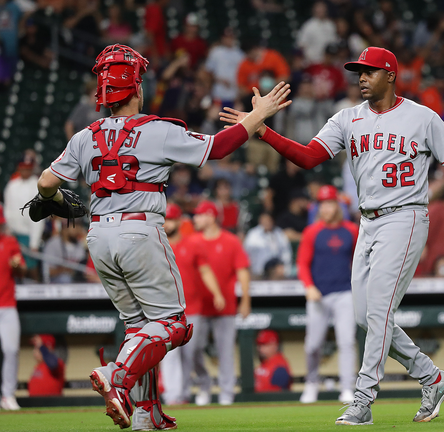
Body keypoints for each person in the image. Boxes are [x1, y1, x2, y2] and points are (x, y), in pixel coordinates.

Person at [220, 46, 444, 425]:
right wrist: (264, 131)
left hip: (405, 217)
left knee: (379, 311)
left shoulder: (422, 117)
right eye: (359, 71)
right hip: (367, 222)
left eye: (369, 71)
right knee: (364, 316)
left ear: (390, 75)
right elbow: (308, 157)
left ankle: (363, 399)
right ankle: (432, 377)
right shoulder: (346, 119)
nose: (361, 77)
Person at [34, 43, 291, 430]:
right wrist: (257, 116)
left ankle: (146, 412)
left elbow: (45, 181)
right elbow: (218, 148)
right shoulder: (158, 130)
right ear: (137, 87)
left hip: (99, 236)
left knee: (140, 327)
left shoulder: (84, 137)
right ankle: (117, 376)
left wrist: (55, 200)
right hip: (139, 230)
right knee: (173, 324)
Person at [296, 185, 358, 405]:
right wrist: (308, 286)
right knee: (313, 344)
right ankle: (312, 383)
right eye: (322, 204)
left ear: (337, 205)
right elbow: (302, 264)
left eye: (330, 203)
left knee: (347, 342)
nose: (326, 208)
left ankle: (347, 387)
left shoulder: (351, 230)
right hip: (319, 294)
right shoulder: (312, 231)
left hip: (345, 292)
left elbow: (358, 262)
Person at [158, 203, 225, 406]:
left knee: (190, 353)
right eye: (164, 219)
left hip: (191, 307)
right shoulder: (157, 245)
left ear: (179, 221)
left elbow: (205, 271)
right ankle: (173, 396)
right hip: (165, 307)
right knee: (168, 353)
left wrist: (217, 293)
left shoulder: (193, 244)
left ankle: (185, 392)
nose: (167, 224)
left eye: (170, 219)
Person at [188, 200, 253, 406]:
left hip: (225, 306)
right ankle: (204, 384)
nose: (195, 218)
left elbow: (242, 271)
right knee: (193, 349)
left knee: (225, 351)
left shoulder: (231, 241)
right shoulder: (191, 241)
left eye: (199, 215)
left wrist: (245, 299)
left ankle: (226, 393)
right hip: (197, 306)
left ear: (211, 216)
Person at [0, 204, 26, 411]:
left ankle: (8, 395)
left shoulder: (9, 242)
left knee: (11, 350)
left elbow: (22, 271)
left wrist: (18, 266)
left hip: (7, 305)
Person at [3, 152, 44, 282]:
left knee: (31, 269)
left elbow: (39, 216)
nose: (25, 170)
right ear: (19, 168)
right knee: (12, 269)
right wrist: (7, 233)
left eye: (28, 168)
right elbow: (7, 210)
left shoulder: (38, 185)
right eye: (23, 167)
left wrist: (34, 242)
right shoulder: (11, 185)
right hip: (12, 234)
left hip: (28, 236)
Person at [243, 211, 293, 279]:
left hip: (276, 273)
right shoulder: (253, 235)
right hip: (258, 273)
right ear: (260, 221)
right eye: (264, 220)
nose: (267, 222)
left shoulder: (279, 233)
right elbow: (246, 254)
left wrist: (286, 269)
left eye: (269, 220)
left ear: (272, 221)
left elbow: (286, 253)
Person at [42, 218, 87, 283]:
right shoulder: (53, 243)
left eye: (79, 226)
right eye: (74, 226)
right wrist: (64, 269)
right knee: (65, 278)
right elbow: (48, 272)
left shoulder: (79, 245)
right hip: (54, 283)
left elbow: (82, 269)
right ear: (65, 228)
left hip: (75, 282)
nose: (78, 229)